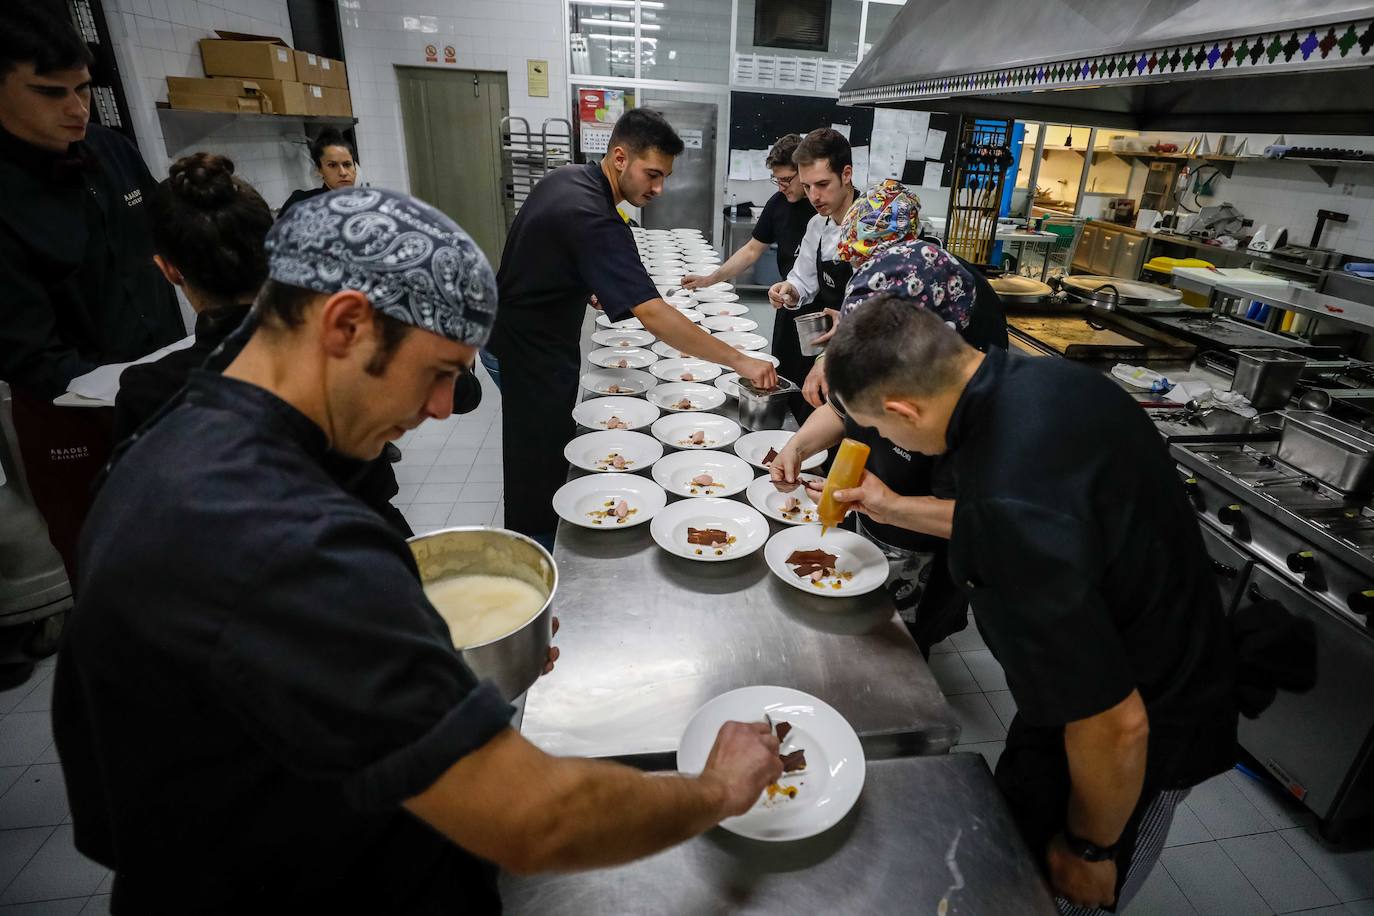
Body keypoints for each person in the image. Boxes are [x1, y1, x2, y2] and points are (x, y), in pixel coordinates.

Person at [53, 187, 784, 914]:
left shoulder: (188, 429)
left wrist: (431, 666)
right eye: (439, 372)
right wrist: (717, 787)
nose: (442, 407)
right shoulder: (273, 535)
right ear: (344, 324)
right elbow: (537, 819)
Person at [823, 297, 1237, 914]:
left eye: (881, 430)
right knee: (1016, 829)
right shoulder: (1041, 381)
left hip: (1151, 715)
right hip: (1090, 681)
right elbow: (1038, 516)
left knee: (1064, 895)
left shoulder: (1012, 505)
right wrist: (895, 508)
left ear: (902, 409)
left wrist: (1091, 848)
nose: (884, 441)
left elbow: (1117, 725)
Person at [488, 107, 777, 547]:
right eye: (652, 174)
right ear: (620, 158)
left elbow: (549, 253)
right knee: (538, 459)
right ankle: (538, 556)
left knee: (541, 450)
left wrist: (582, 283)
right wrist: (739, 361)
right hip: (528, 349)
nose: (659, 188)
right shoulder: (593, 214)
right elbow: (654, 314)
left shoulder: (570, 180)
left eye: (665, 177)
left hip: (525, 334)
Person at [0, 1, 184, 578]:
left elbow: (172, 233)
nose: (77, 109)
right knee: (113, 565)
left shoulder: (110, 152)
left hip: (163, 392)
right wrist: (121, 390)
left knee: (191, 545)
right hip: (75, 422)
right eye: (51, 93)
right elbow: (30, 354)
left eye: (83, 88)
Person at [771, 239, 1004, 652]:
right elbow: (841, 411)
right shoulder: (873, 359)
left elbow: (987, 523)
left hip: (922, 551)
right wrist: (799, 447)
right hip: (868, 521)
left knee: (900, 646)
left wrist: (892, 505)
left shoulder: (975, 412)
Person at [765, 128, 858, 424]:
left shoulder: (873, 226)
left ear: (846, 174)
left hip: (865, 354)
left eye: (822, 184)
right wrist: (789, 289)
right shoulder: (818, 225)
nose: (814, 197)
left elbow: (872, 310)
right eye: (806, 187)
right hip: (828, 346)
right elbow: (803, 279)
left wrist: (826, 359)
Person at [680, 133, 814, 290]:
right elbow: (751, 251)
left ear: (804, 171)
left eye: (786, 180)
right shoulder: (778, 203)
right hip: (789, 296)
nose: (781, 187)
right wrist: (709, 280)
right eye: (777, 180)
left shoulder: (824, 207)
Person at [278, 127, 358, 216]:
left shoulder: (369, 202)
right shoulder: (301, 203)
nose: (343, 173)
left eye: (347, 165)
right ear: (319, 170)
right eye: (332, 165)